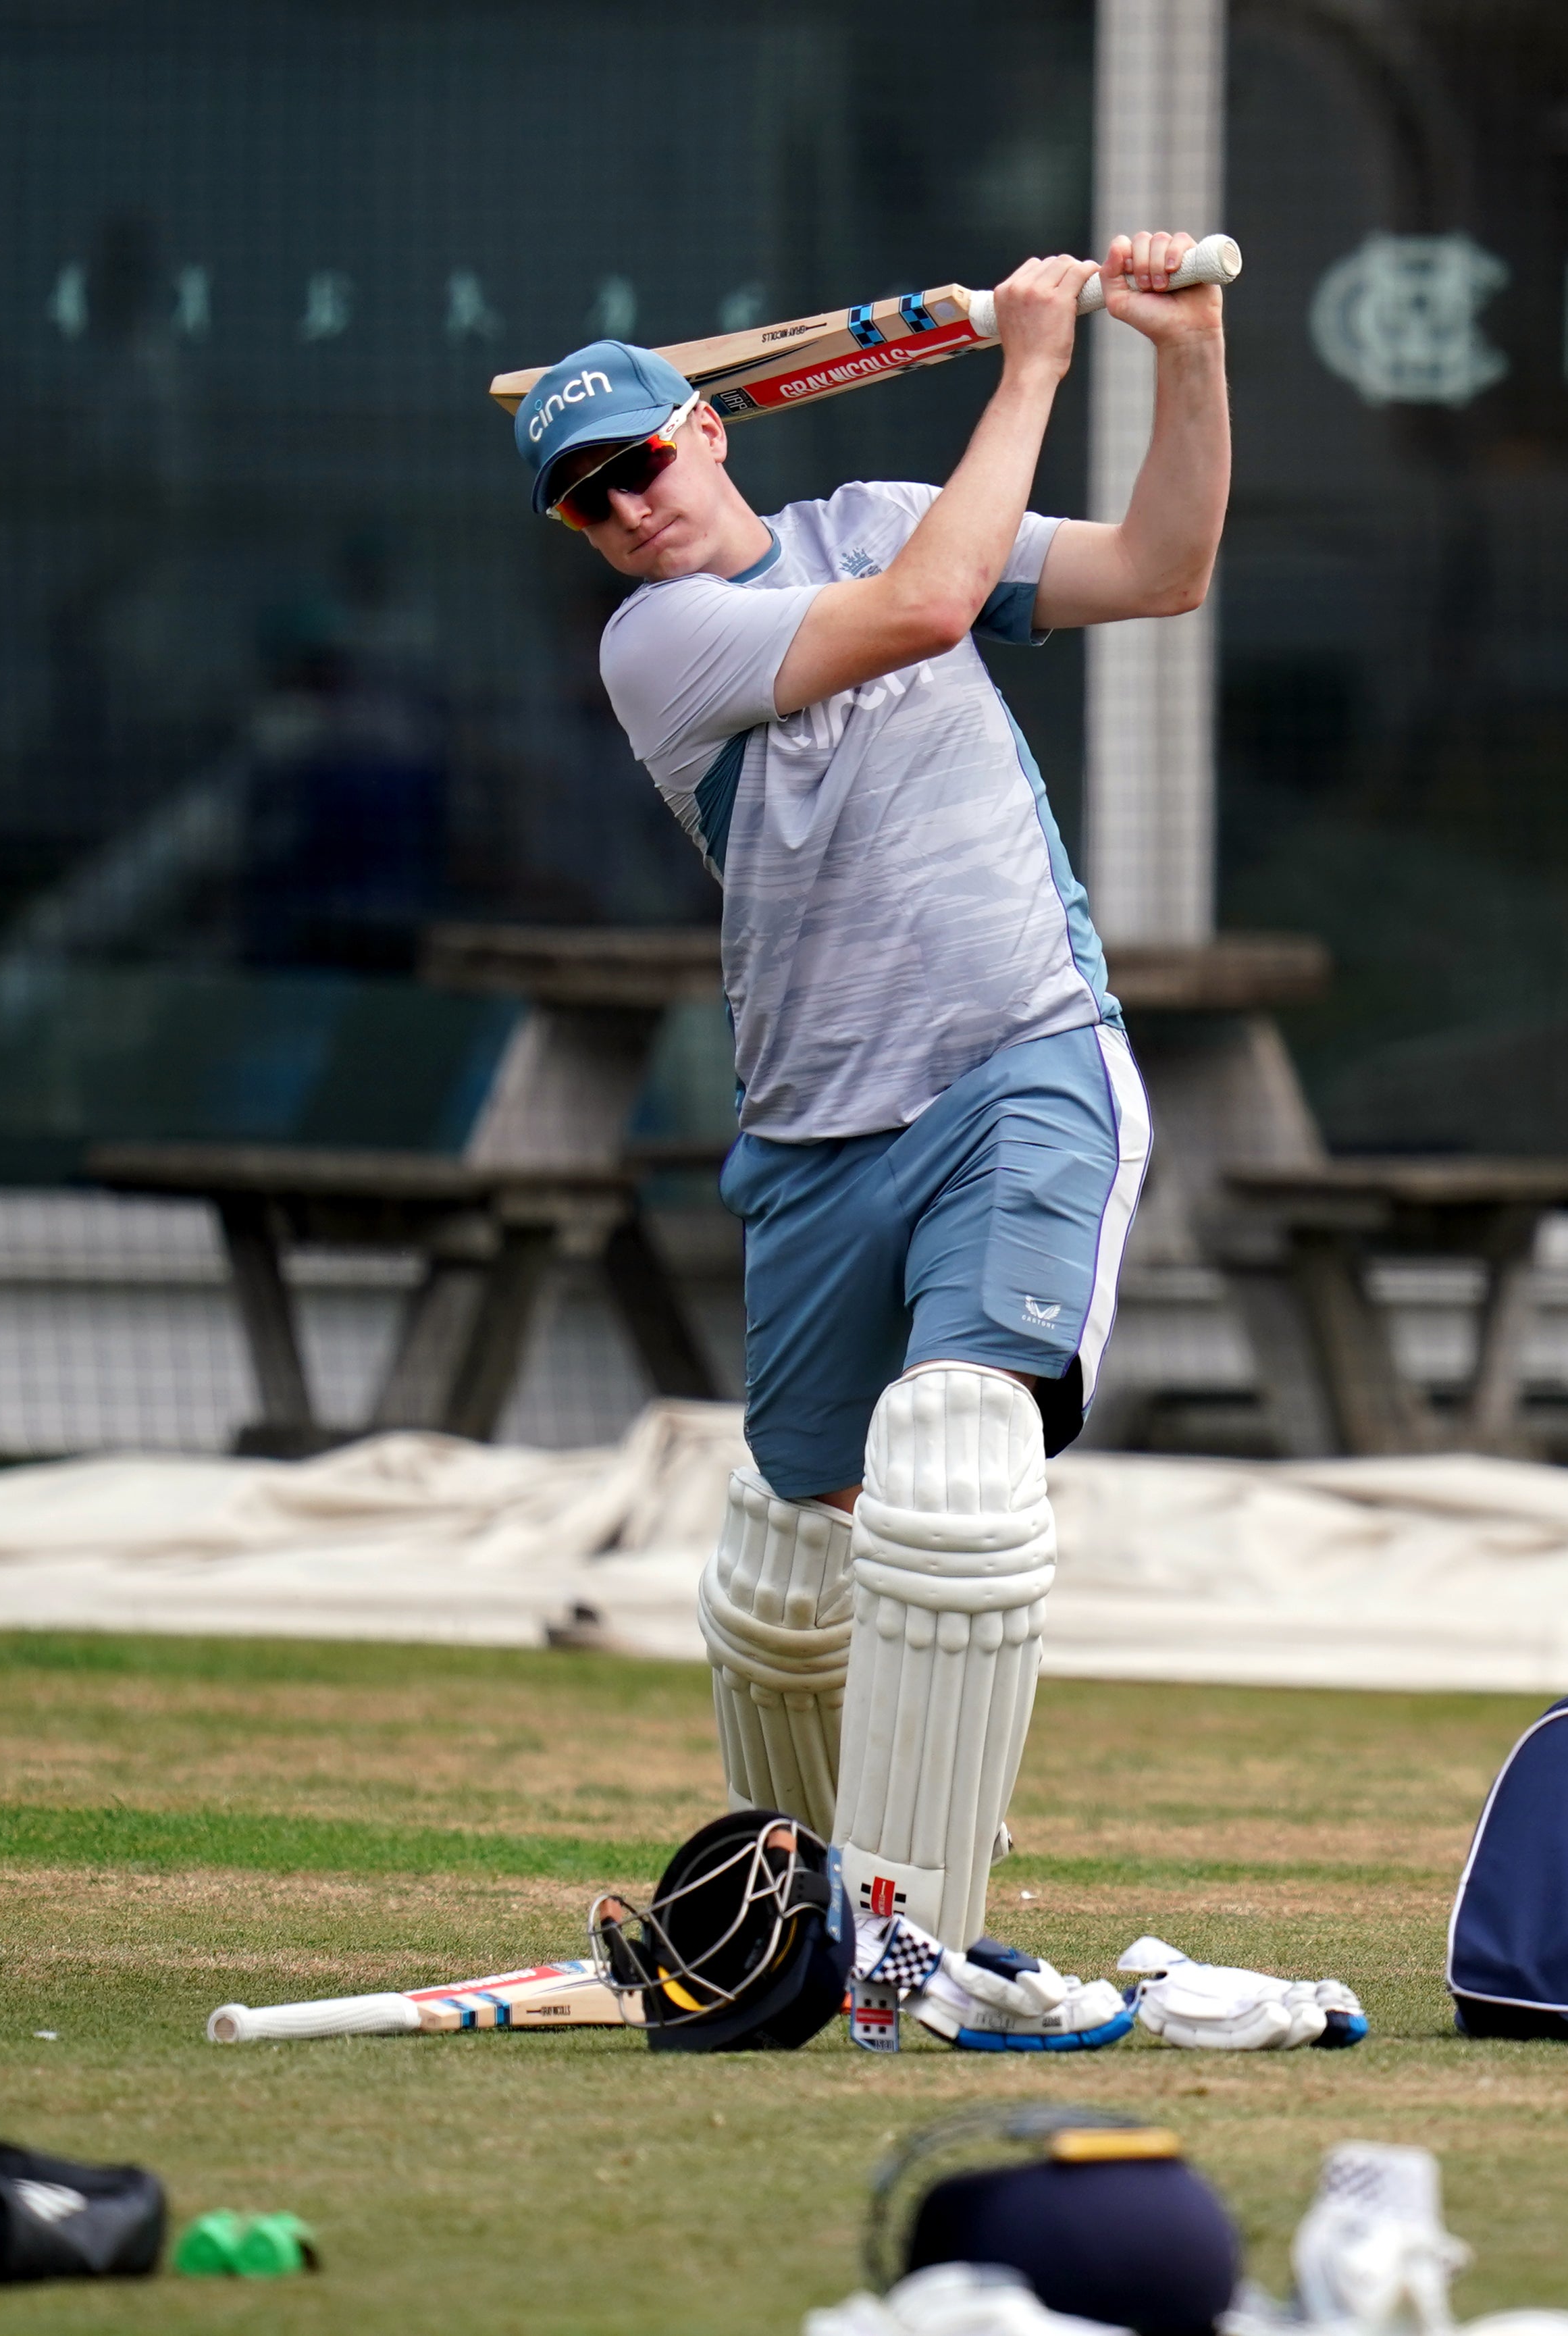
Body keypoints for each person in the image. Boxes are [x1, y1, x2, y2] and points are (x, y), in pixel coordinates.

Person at [510, 236, 1228, 1987]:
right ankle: (804, 1930)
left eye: (638, 465)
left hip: (1019, 1062)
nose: (620, 507)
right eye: (583, 500)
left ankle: (929, 1948)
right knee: (782, 1565)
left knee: (958, 1458)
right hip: (818, 1130)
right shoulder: (657, 641)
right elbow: (921, 607)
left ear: (707, 430)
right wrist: (1034, 368)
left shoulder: (886, 513)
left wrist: (1186, 357)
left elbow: (1160, 566)